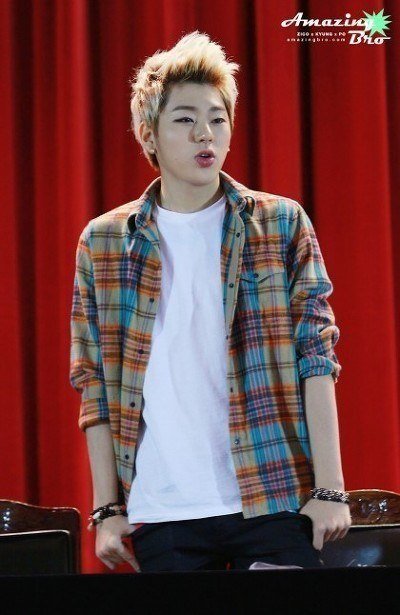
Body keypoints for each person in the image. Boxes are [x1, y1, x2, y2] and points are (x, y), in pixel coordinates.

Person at [70, 30, 351, 573]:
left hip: (273, 494)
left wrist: (330, 489)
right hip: (164, 509)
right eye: (184, 119)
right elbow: (93, 381)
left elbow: (316, 356)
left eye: (217, 118)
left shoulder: (280, 223)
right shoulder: (103, 242)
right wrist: (107, 508)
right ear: (149, 135)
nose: (205, 133)